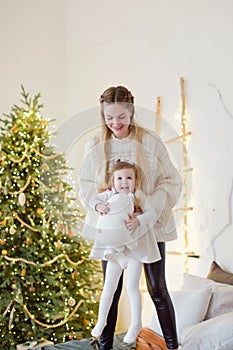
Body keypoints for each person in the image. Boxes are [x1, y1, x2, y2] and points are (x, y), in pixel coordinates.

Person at [78, 85, 182, 350]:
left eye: (121, 117)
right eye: (109, 117)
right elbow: (86, 185)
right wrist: (97, 203)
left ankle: (173, 346)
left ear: (132, 112)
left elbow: (169, 181)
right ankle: (104, 346)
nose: (115, 123)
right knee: (111, 289)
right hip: (113, 229)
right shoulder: (96, 144)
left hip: (149, 227)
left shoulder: (150, 142)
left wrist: (146, 215)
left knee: (157, 288)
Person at [89, 161, 161, 344]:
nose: (124, 182)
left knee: (132, 287)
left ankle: (136, 323)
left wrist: (138, 221)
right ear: (113, 182)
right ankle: (101, 321)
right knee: (109, 287)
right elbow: (92, 200)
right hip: (115, 252)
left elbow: (152, 214)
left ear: (135, 181)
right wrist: (99, 207)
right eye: (119, 178)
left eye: (129, 178)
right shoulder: (109, 195)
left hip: (134, 252)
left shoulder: (138, 196)